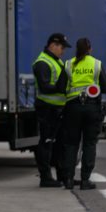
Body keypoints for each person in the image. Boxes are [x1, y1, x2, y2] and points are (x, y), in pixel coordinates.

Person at [61, 38, 106, 190]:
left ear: (76, 49)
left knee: (71, 144)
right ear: (89, 48)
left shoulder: (69, 64)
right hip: (91, 109)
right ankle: (85, 180)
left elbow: (61, 86)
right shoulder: (96, 64)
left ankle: (69, 179)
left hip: (73, 108)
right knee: (89, 144)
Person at [32, 33, 71, 187]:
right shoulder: (42, 62)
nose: (63, 51)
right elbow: (45, 87)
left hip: (57, 109)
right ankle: (45, 177)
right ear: (53, 45)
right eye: (61, 47)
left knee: (59, 144)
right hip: (47, 110)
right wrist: (60, 86)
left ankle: (62, 176)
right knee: (46, 143)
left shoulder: (56, 61)